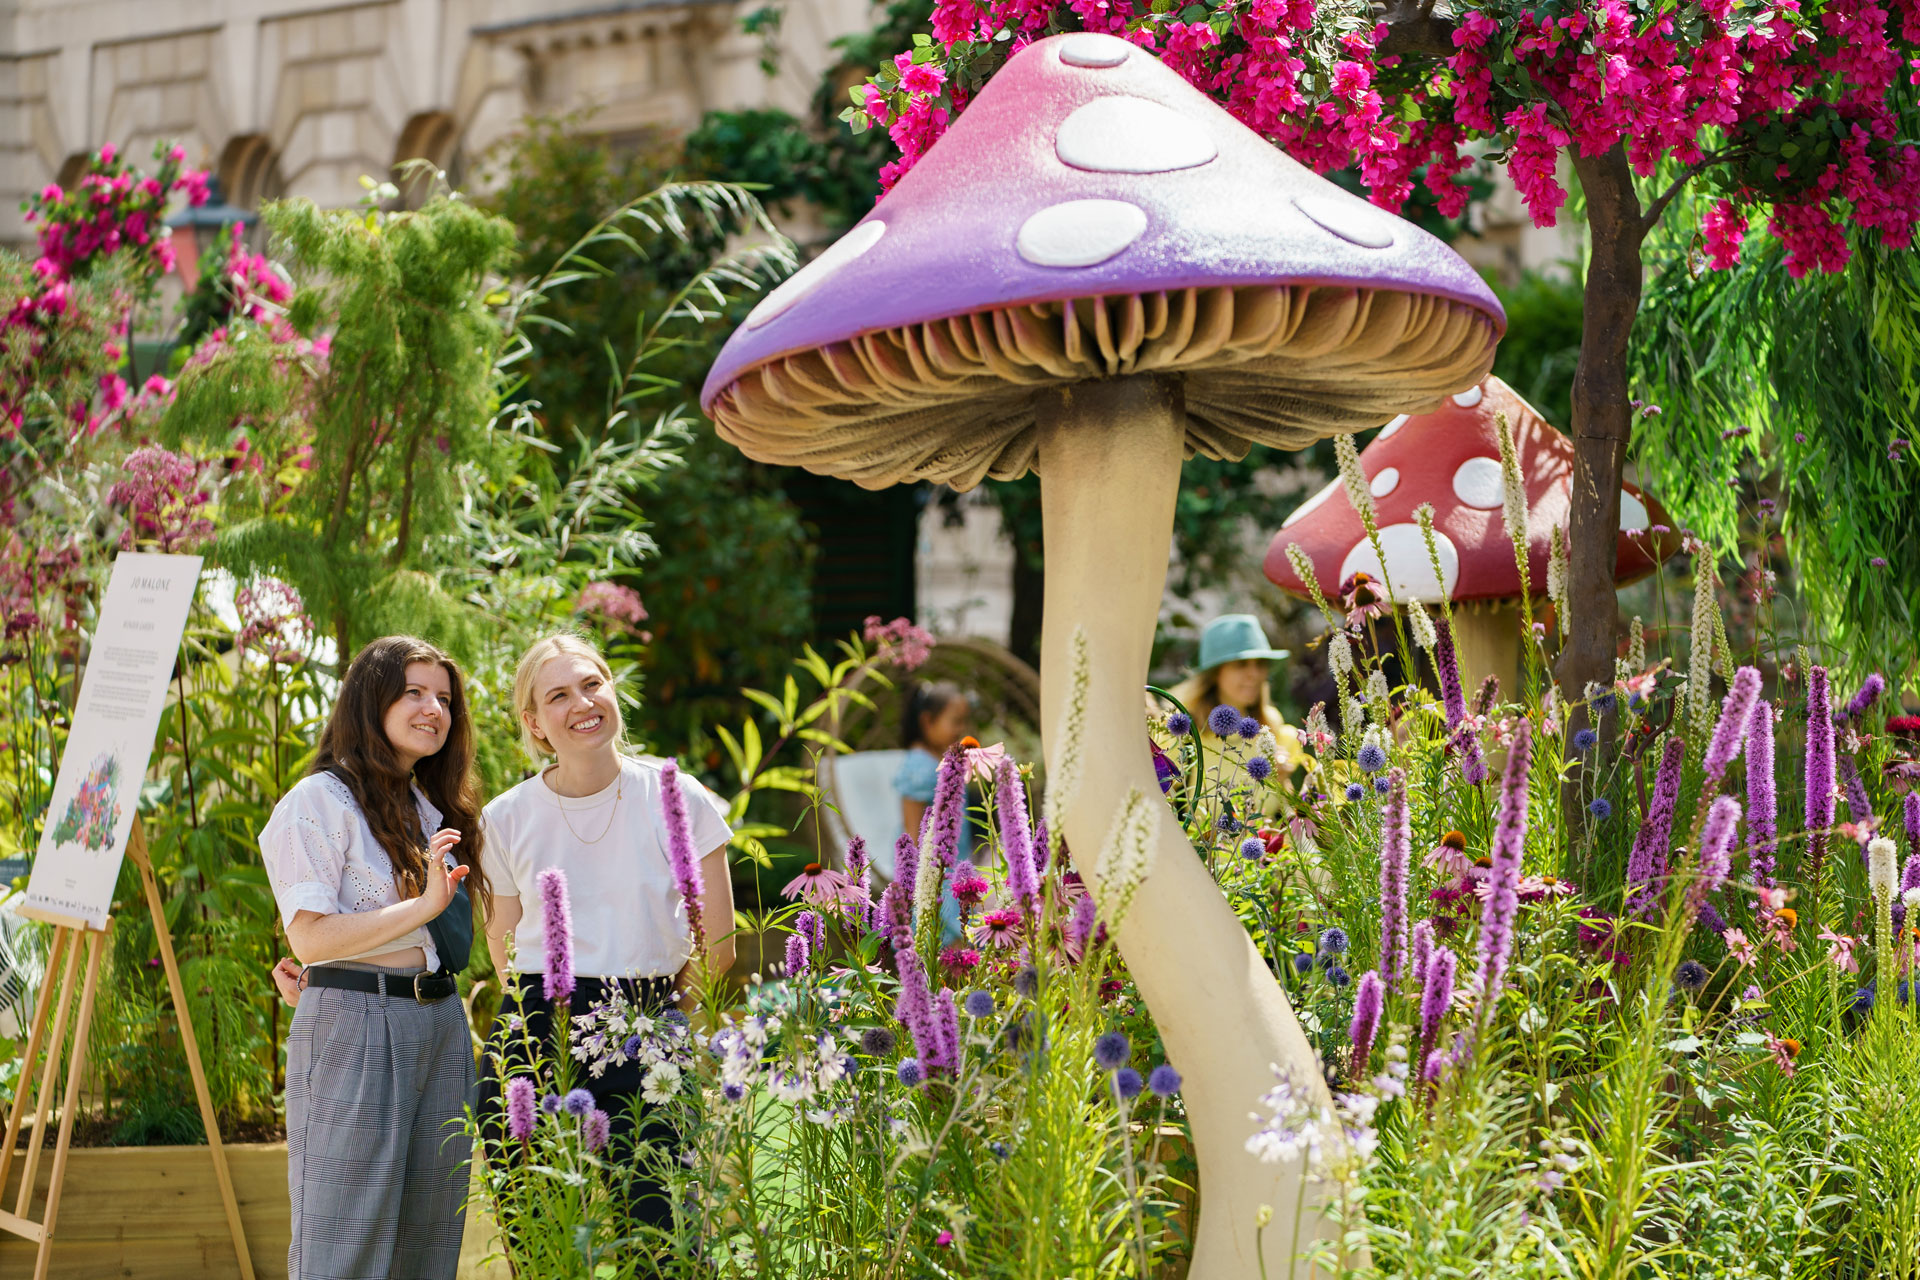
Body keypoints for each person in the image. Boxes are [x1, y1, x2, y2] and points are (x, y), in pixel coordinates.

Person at [475, 633, 736, 1231]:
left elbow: (718, 946)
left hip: (646, 1025)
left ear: (613, 691)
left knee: (661, 1239)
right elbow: (504, 948)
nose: (582, 703)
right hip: (536, 1037)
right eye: (558, 695)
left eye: (592, 684)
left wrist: (666, 1020)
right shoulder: (505, 816)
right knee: (543, 1242)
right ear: (535, 723)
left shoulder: (678, 796)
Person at [259, 635, 490, 1280]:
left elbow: (437, 941)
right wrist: (422, 907)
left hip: (439, 1024)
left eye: (443, 698)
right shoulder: (318, 801)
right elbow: (309, 937)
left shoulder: (426, 808)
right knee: (345, 1245)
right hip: (360, 1027)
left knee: (431, 1238)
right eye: (413, 692)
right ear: (371, 700)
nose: (433, 709)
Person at [1167, 614, 1307, 798]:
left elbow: (1280, 808)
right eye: (1241, 665)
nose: (1254, 674)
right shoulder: (1184, 733)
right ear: (1216, 673)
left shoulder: (1271, 725)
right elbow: (1160, 799)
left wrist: (1282, 780)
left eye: (1260, 664)